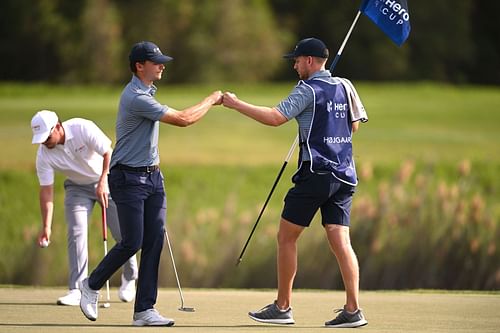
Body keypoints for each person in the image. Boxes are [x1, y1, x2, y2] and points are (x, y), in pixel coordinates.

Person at [222, 37, 368, 328]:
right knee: (341, 240)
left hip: (316, 173)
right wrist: (315, 122)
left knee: (286, 238)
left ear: (311, 61)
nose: (294, 64)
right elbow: (352, 126)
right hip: (344, 175)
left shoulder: (307, 89)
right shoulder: (346, 85)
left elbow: (276, 117)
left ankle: (282, 307)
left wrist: (237, 104)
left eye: (298, 60)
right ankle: (353, 310)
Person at [79, 41, 223, 326]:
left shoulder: (147, 91)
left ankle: (144, 310)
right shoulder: (135, 97)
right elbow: (183, 119)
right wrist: (212, 99)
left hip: (153, 177)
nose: (162, 65)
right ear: (139, 66)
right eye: (156, 61)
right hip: (127, 177)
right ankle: (91, 285)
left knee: (154, 239)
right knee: (133, 240)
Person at [31, 110, 138, 306]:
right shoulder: (43, 154)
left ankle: (130, 277)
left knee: (123, 234)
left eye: (47, 136)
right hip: (77, 188)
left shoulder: (81, 127)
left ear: (57, 126)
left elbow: (108, 152)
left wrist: (103, 181)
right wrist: (46, 226)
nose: (44, 142)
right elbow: (46, 190)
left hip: (107, 181)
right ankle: (77, 289)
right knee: (76, 232)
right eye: (40, 139)